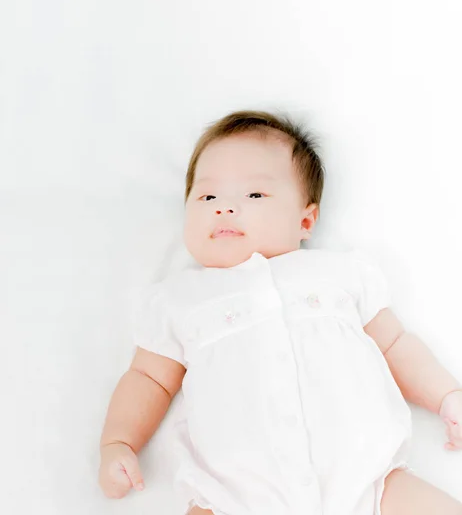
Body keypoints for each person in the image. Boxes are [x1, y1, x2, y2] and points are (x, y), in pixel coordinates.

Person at [98, 110, 462, 514]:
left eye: (253, 195)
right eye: (207, 196)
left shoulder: (339, 274)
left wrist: (446, 394)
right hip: (234, 495)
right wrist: (118, 442)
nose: (224, 208)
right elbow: (149, 378)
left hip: (368, 481)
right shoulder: (180, 299)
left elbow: (394, 344)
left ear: (306, 219)